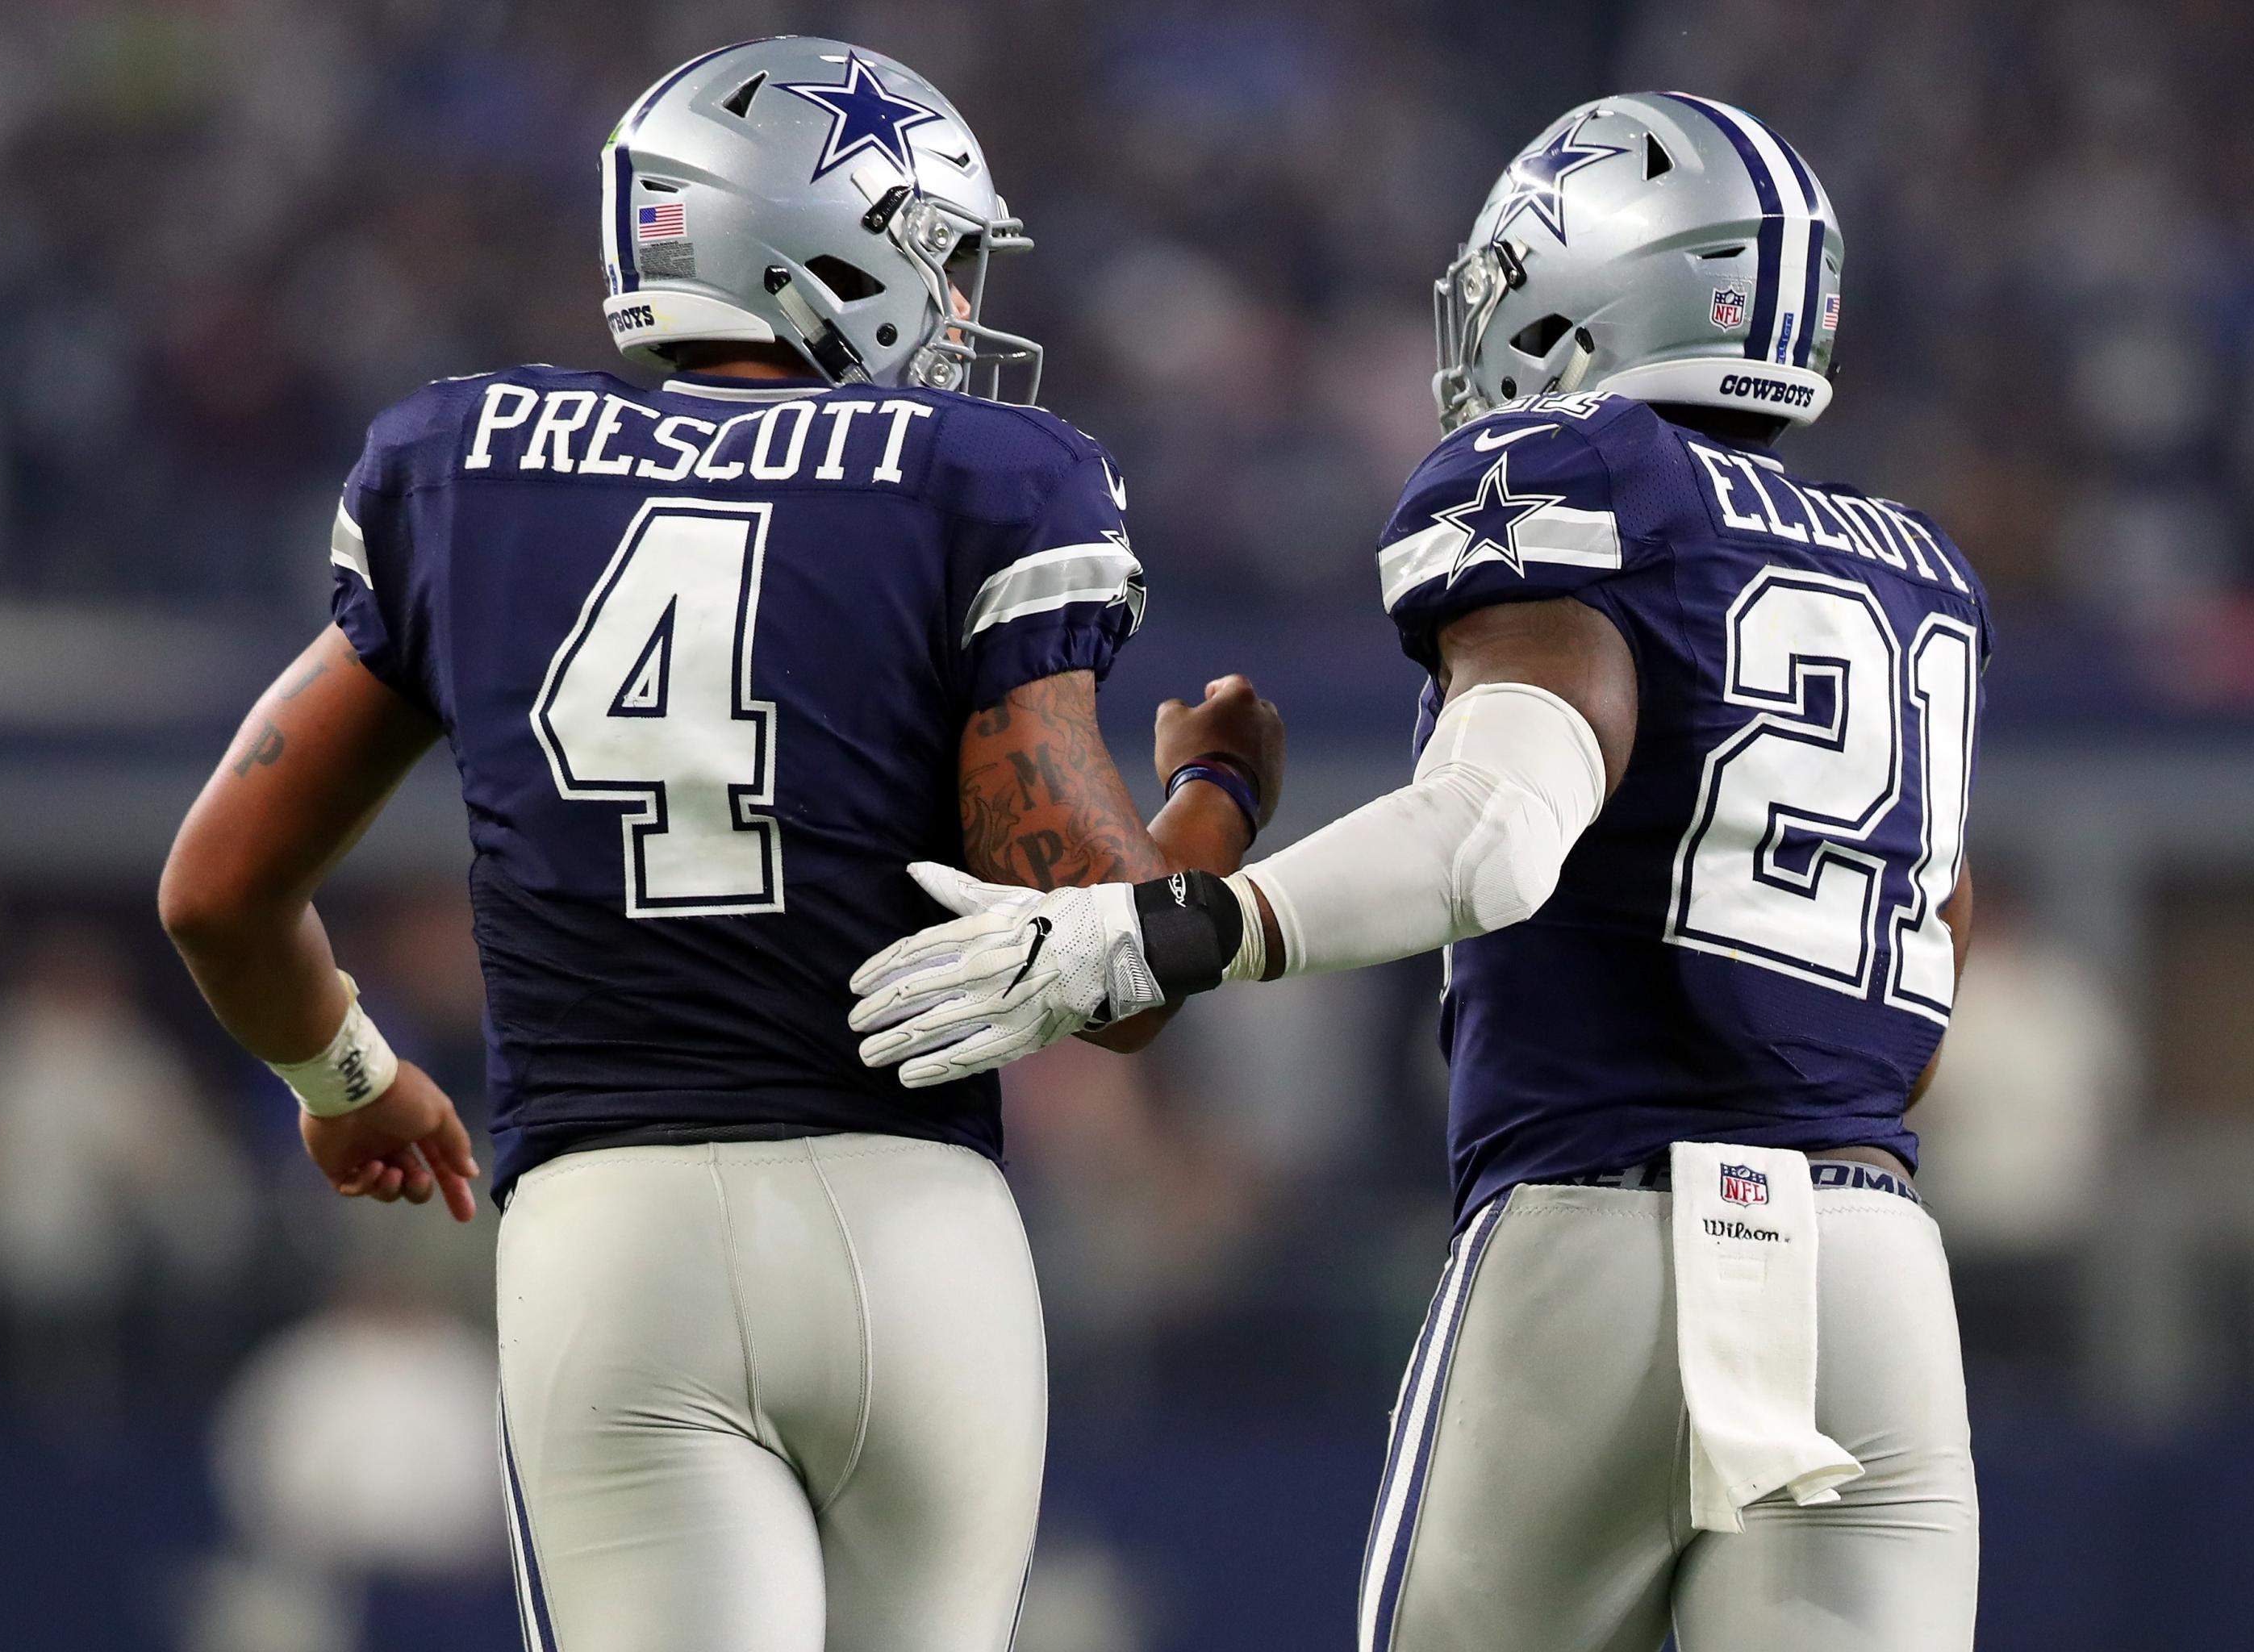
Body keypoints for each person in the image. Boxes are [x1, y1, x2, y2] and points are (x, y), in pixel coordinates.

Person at [158, 37, 1283, 1652]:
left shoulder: (463, 465)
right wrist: (1220, 798)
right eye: (936, 252)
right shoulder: (983, 478)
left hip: (611, 1243)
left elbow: (216, 891)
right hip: (913, 1242)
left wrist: (352, 1083)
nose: (957, 303)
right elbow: (1113, 974)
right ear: (814, 245)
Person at [853, 92, 1985, 1652]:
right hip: (1874, 1274)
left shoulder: (1579, 475)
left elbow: (1495, 833)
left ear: (1595, 279)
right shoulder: (1914, 564)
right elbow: (1926, 951)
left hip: (1604, 1241)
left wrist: (1172, 931)